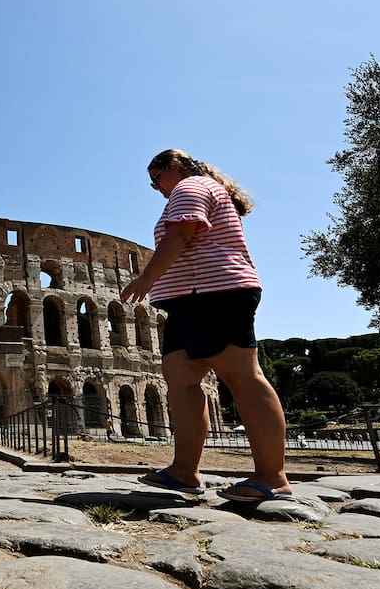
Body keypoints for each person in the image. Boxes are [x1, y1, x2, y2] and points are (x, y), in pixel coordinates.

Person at [120, 148, 292, 502]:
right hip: (190, 298)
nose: (156, 188)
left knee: (243, 377)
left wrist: (147, 278)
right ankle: (184, 472)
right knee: (180, 377)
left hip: (214, 292)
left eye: (157, 179)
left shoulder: (193, 186)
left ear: (175, 166)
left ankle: (272, 478)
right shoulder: (198, 188)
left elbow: (181, 233)